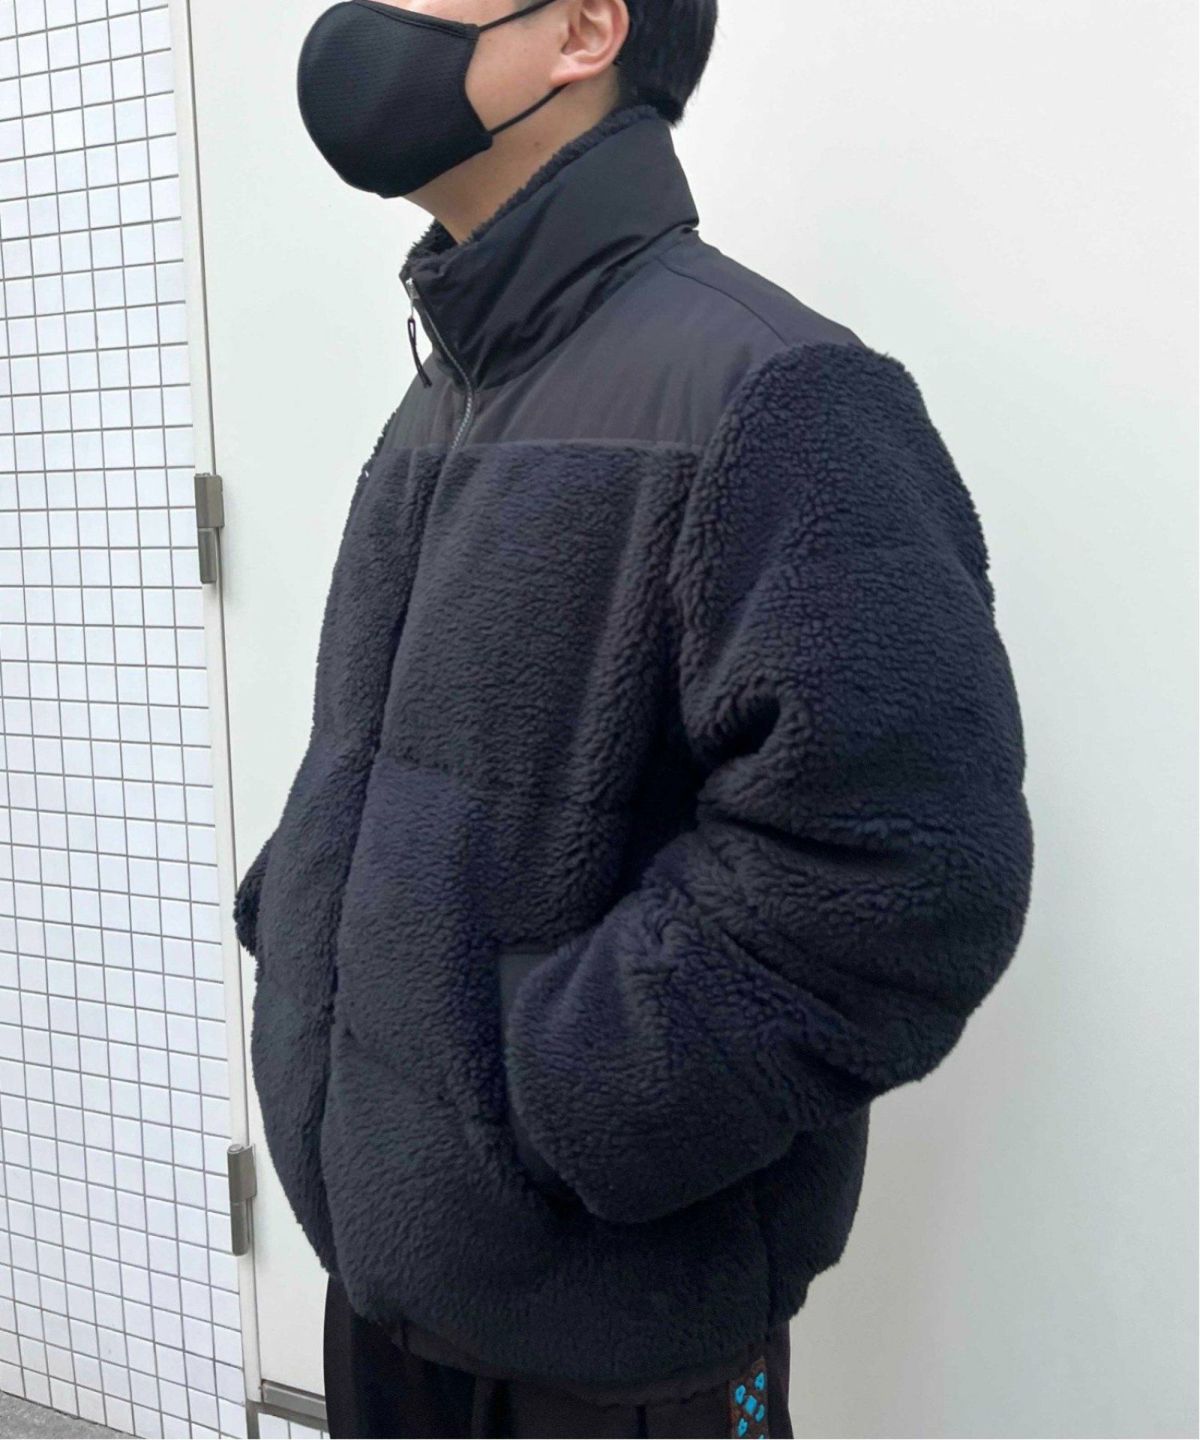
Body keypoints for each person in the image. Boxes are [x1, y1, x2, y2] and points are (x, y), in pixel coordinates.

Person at [233, 1, 1036, 1435]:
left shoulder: (776, 392)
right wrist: (306, 920)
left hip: (614, 1366)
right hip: (388, 1305)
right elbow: (396, 769)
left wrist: (560, 1098)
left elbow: (903, 872)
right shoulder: (444, 398)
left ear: (587, 30)